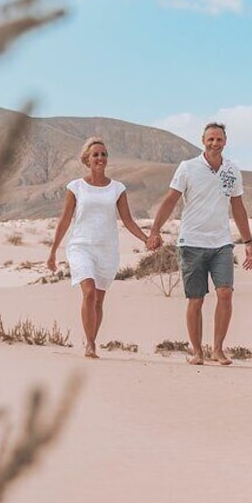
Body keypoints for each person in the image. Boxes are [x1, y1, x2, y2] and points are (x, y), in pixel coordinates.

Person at [147, 122, 252, 366]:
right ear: (203, 141)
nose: (215, 143)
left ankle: (218, 349)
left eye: (219, 139)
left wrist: (248, 242)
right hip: (192, 243)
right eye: (210, 139)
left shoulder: (232, 170)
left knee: (225, 293)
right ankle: (197, 351)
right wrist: (154, 230)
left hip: (221, 244)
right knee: (196, 299)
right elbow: (170, 200)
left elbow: (237, 207)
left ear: (225, 142)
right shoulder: (187, 168)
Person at [48, 137, 148, 358]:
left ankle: (92, 340)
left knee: (99, 300)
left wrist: (146, 239)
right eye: (95, 155)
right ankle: (90, 344)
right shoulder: (76, 187)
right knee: (89, 292)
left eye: (103, 154)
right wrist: (53, 250)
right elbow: (65, 220)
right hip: (81, 246)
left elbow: (128, 220)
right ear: (87, 159)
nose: (100, 158)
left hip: (107, 249)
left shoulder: (117, 188)